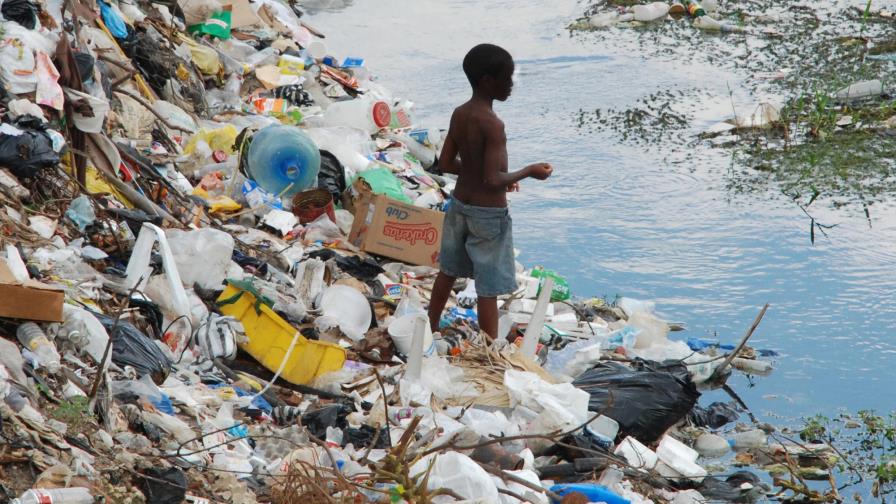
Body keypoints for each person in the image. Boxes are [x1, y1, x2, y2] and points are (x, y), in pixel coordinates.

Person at [427, 43, 553, 340]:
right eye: (507, 78)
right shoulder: (493, 124)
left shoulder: (460, 113)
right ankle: (489, 349)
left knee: (448, 271)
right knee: (488, 287)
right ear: (487, 81)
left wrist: (490, 176)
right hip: (488, 216)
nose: (511, 84)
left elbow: (445, 163)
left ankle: (428, 327)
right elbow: (493, 178)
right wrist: (529, 171)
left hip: (459, 205)